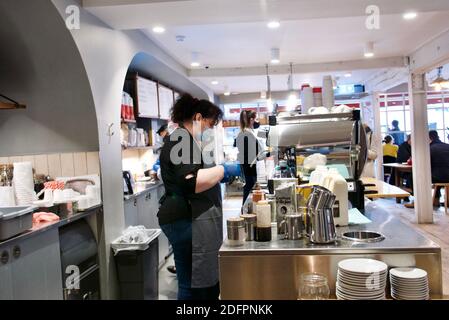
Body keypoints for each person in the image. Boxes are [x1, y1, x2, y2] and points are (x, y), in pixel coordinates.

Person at [157, 93, 228, 300]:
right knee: (191, 284)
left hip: (182, 216)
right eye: (209, 124)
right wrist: (222, 171)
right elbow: (190, 182)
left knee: (189, 280)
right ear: (197, 118)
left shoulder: (185, 139)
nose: (209, 130)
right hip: (181, 219)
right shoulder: (181, 139)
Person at [236, 110, 267, 205]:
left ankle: (246, 208)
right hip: (248, 165)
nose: (257, 121)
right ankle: (245, 208)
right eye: (256, 119)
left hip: (249, 163)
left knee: (250, 186)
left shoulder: (249, 132)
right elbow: (254, 151)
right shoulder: (246, 133)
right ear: (251, 120)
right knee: (249, 186)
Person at [429, 130, 449, 206]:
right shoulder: (447, 146)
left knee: (417, 177)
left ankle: (435, 200)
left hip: (437, 177)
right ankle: (446, 200)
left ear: (429, 138)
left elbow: (427, 164)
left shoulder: (429, 148)